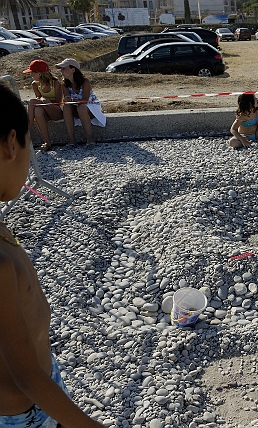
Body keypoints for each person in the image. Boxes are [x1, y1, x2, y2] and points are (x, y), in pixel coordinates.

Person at [0, 83, 105, 427]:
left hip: (44, 384)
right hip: (26, 409)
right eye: (29, 142)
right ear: (10, 144)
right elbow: (26, 376)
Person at [56, 58, 106, 146]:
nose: (61, 71)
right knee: (66, 107)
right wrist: (67, 99)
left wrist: (72, 100)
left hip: (91, 106)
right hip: (77, 105)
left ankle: (90, 139)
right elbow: (67, 98)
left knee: (81, 107)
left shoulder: (85, 81)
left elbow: (85, 100)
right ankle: (72, 140)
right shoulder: (64, 84)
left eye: (64, 68)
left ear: (73, 70)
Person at [24, 60, 63, 151]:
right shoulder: (35, 84)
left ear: (39, 73)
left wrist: (43, 101)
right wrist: (42, 99)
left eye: (32, 73)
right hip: (45, 112)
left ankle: (27, 129)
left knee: (32, 102)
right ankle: (47, 142)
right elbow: (39, 98)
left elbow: (58, 102)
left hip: (57, 112)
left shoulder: (56, 83)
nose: (31, 75)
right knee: (37, 110)